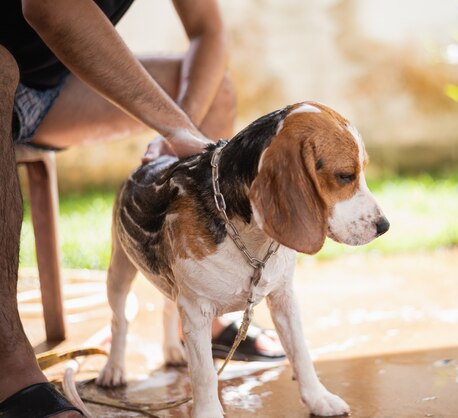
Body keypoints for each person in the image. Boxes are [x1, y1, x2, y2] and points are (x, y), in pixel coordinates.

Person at [0, 1, 283, 416]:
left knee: (215, 90)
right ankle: (9, 366)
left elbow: (208, 30)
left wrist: (184, 123)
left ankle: (209, 311)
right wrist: (175, 126)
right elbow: (50, 8)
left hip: (49, 90)